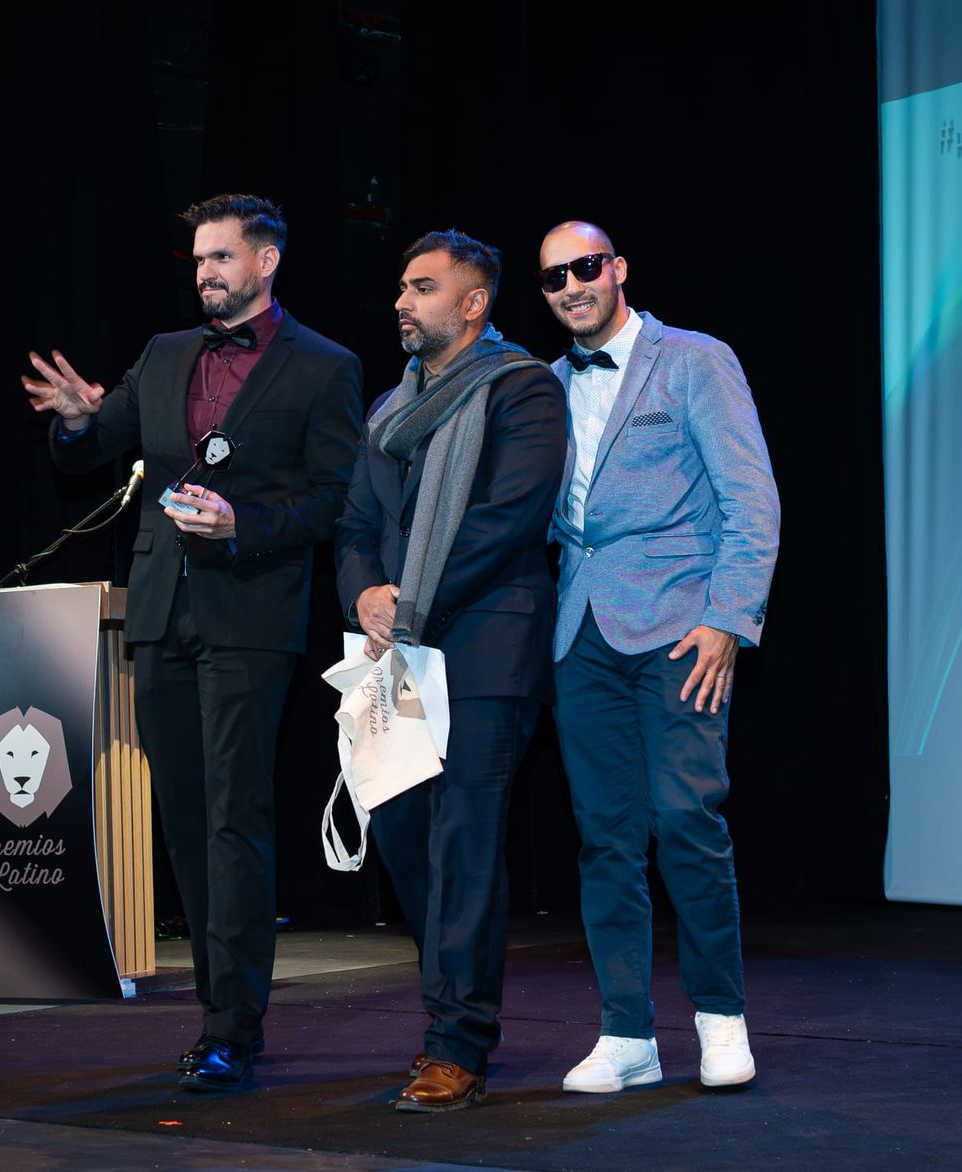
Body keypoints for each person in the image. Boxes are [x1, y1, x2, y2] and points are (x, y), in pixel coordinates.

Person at [23, 194, 363, 1092]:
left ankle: (233, 1027)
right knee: (183, 815)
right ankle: (220, 1007)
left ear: (266, 261)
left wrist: (245, 523)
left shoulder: (325, 367)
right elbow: (91, 449)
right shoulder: (166, 354)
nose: (206, 273)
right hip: (160, 612)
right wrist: (76, 419)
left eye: (221, 257)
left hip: (249, 615)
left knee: (232, 817)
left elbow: (336, 499)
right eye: (200, 260)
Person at [537, 221, 780, 1093]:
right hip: (580, 630)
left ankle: (720, 1018)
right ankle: (627, 1035)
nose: (572, 285)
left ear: (618, 269)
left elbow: (750, 495)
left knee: (685, 820)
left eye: (584, 267)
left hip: (682, 626)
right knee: (605, 838)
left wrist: (729, 618)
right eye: (554, 277)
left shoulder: (693, 359)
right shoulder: (545, 384)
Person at [335, 229, 566, 1112]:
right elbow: (356, 526)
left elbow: (509, 519)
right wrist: (366, 596)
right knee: (403, 836)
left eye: (423, 288)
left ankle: (458, 1044)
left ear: (473, 304)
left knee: (465, 841)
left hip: (484, 646)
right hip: (395, 653)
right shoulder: (389, 408)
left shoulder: (523, 388)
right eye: (402, 286)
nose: (403, 301)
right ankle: (446, 1016)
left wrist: (412, 603)